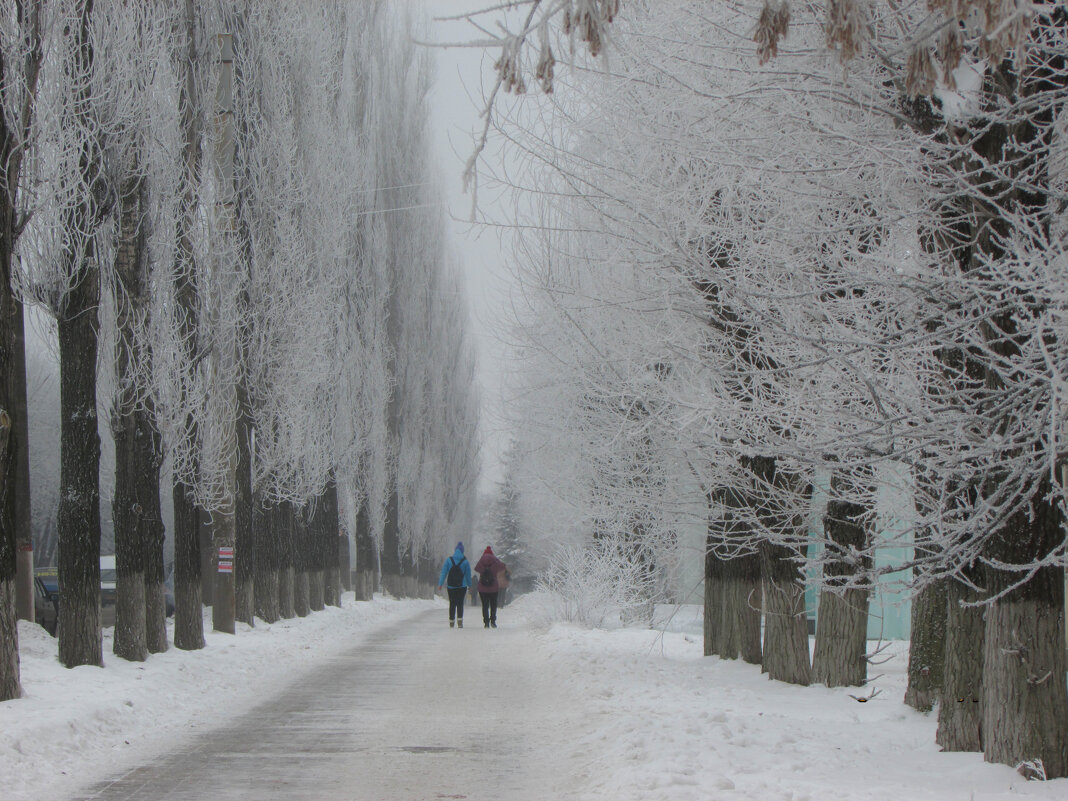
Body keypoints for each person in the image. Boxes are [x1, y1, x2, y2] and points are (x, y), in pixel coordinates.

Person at [437, 542, 471, 628]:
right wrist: (470, 586)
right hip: (462, 586)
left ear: (455, 550)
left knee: (452, 603)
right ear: (463, 551)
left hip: (451, 586)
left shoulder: (449, 560)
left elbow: (444, 573)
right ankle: (460, 622)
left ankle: (451, 622)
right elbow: (468, 575)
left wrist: (440, 584)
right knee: (460, 603)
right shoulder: (465, 562)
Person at [474, 546, 507, 628]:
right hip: (493, 586)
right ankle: (493, 621)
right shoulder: (495, 560)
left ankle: (486, 622)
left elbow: (476, 568)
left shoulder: (481, 560)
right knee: (493, 604)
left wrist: (483, 570)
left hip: (482, 586)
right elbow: (503, 567)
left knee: (485, 605)